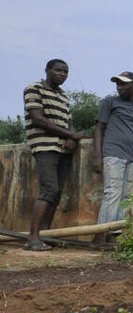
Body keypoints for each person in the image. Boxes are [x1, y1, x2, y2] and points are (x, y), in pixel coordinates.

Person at [22, 59, 87, 251]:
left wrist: (72, 139)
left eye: (65, 72)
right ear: (47, 70)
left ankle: (45, 235)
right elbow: (38, 119)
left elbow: (69, 123)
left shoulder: (63, 96)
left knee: (56, 193)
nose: (62, 74)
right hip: (44, 146)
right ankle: (32, 238)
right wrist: (70, 135)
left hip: (63, 148)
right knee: (48, 189)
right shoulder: (34, 88)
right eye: (58, 70)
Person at [91, 71, 133, 248]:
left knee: (126, 197)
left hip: (131, 156)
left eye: (123, 84)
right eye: (117, 84)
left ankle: (114, 237)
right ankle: (99, 237)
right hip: (112, 153)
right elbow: (99, 128)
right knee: (112, 193)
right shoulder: (110, 102)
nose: (119, 87)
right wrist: (97, 156)